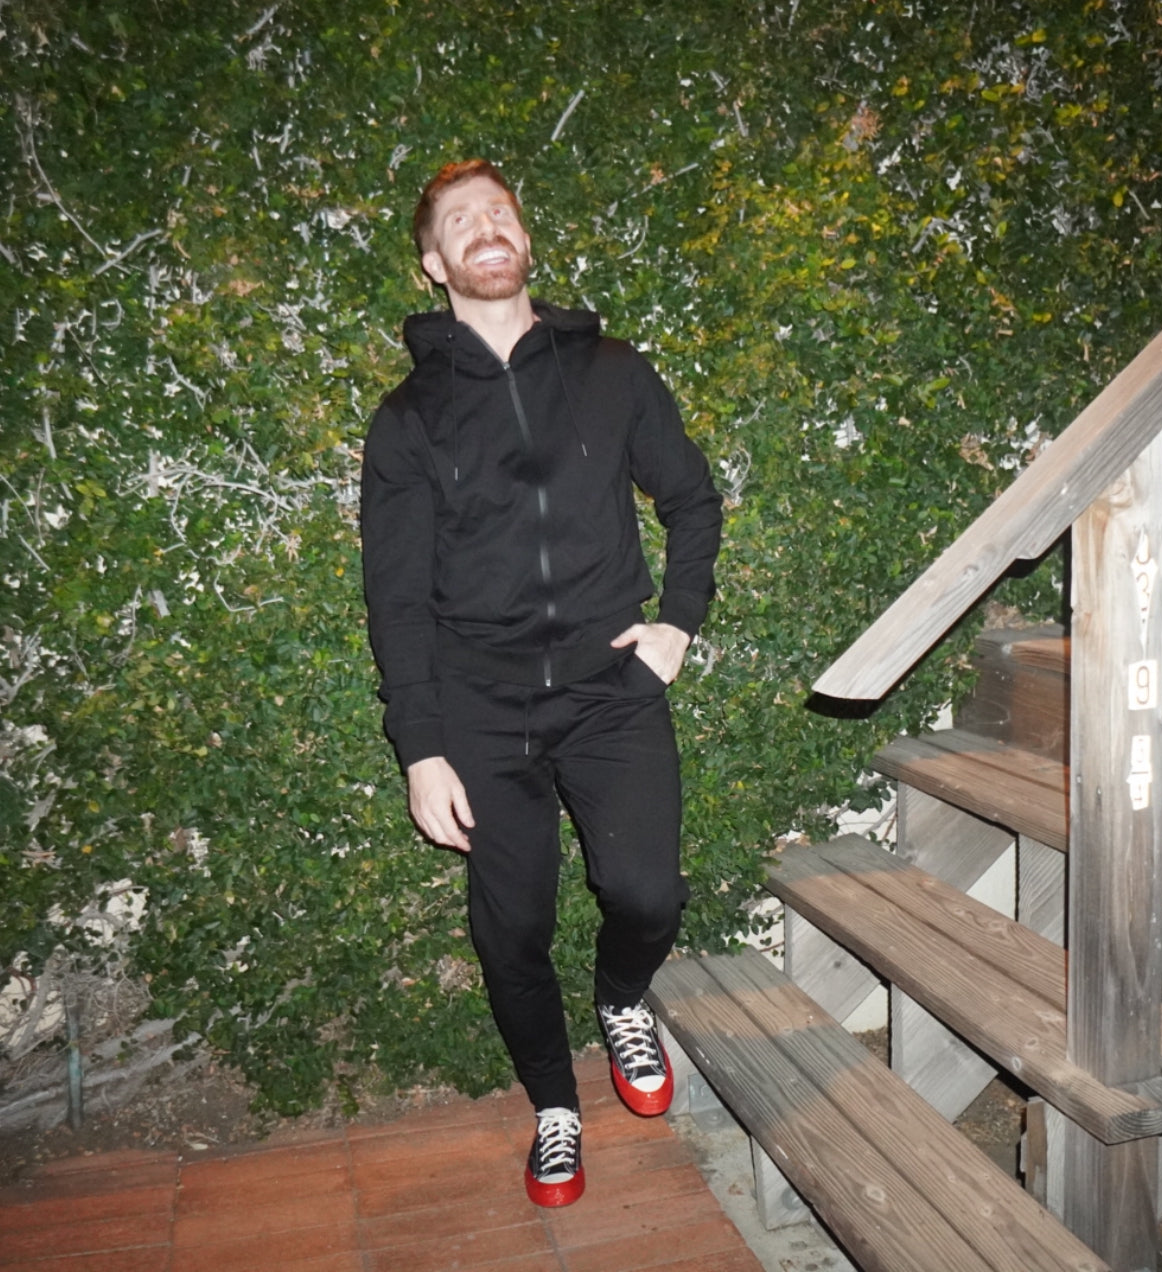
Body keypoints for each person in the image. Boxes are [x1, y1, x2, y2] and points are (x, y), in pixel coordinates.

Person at [360, 159, 723, 1207]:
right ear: (436, 263)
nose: (486, 229)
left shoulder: (610, 369)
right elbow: (397, 601)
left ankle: (621, 999)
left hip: (611, 688)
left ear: (524, 242)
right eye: (461, 222)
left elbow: (692, 502)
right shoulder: (410, 419)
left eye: (501, 214)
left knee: (649, 892)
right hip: (480, 709)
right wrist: (422, 748)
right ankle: (554, 1105)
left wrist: (677, 627)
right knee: (510, 928)